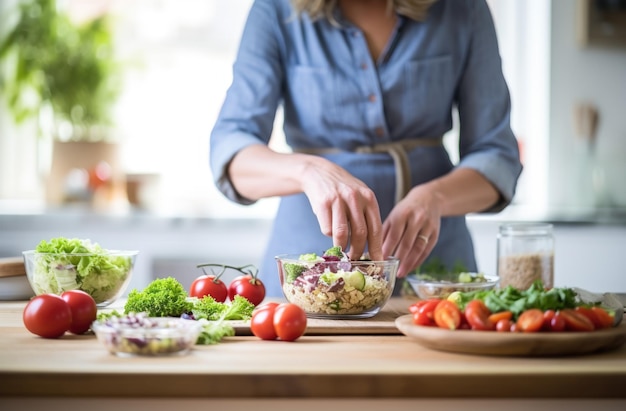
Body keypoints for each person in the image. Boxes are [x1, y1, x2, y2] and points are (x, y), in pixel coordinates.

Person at [209, 0, 523, 298]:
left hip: (436, 272)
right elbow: (232, 151)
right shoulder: (277, 9)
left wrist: (436, 197)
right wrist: (307, 170)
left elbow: (498, 157)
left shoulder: (461, 8)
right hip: (306, 273)